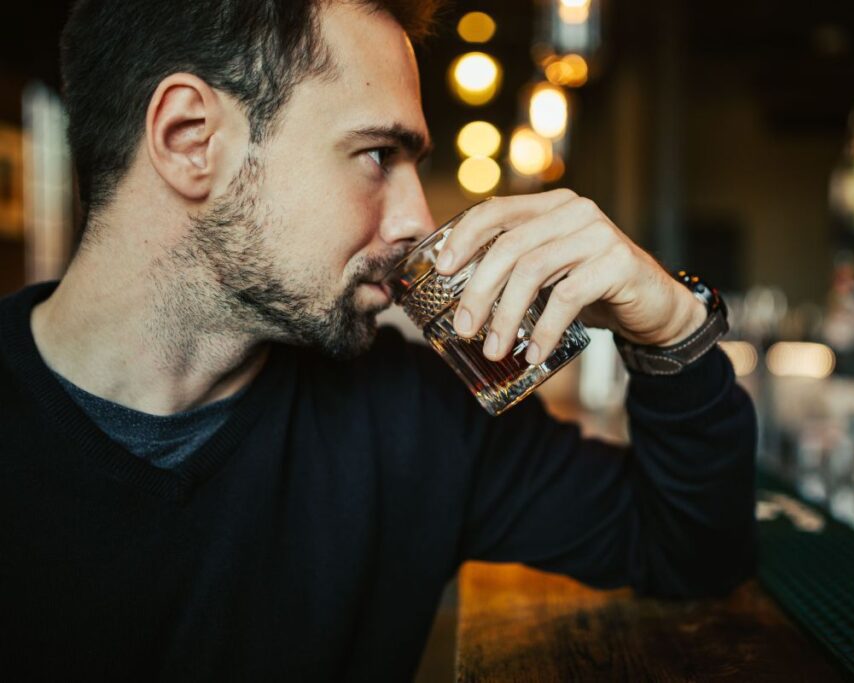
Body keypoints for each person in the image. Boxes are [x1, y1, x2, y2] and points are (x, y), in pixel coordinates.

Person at [0, 0, 757, 680]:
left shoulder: (414, 417)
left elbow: (692, 550)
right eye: (377, 155)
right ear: (190, 139)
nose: (417, 222)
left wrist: (672, 324)